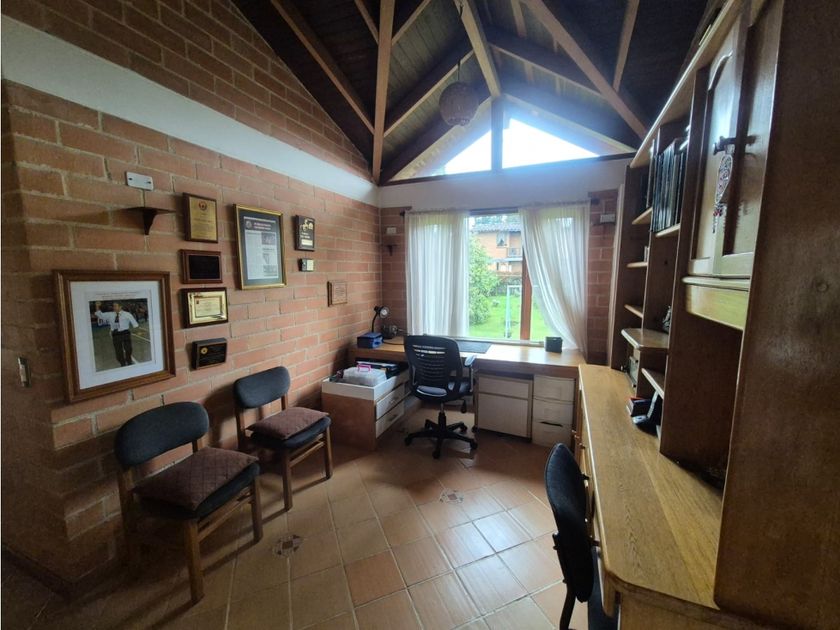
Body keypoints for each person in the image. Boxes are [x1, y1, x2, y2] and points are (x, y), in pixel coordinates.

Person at [94, 301, 140, 367]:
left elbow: (135, 324)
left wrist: (135, 329)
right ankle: (122, 363)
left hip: (125, 333)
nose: (114, 307)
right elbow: (99, 314)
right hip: (116, 334)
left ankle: (129, 360)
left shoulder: (127, 314)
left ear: (120, 307)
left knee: (128, 349)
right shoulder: (110, 314)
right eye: (113, 306)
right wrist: (97, 306)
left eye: (115, 306)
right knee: (118, 351)